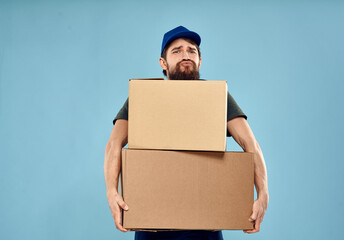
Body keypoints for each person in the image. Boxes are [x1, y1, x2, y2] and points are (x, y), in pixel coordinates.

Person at [104, 26, 269, 240]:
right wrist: (111, 191)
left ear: (200, 61)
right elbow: (113, 144)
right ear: (163, 63)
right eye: (177, 51)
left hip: (204, 225)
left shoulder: (216, 98)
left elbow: (251, 144)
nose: (186, 55)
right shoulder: (145, 97)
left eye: (192, 51)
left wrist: (263, 193)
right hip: (152, 225)